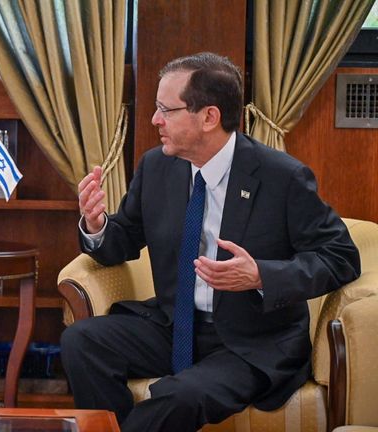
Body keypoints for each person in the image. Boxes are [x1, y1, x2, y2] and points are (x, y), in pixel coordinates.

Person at [60, 52, 360, 432]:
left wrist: (262, 276)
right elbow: (122, 242)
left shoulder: (281, 177)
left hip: (250, 341)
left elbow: (340, 257)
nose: (155, 120)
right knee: (81, 342)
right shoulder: (157, 167)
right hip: (173, 325)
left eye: (166, 110)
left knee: (182, 395)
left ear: (209, 117)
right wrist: (96, 224)